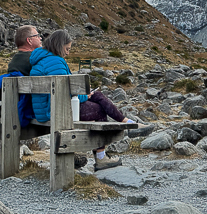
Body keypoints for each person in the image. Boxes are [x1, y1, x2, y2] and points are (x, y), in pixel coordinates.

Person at [30, 29, 131, 171]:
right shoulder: (56, 62)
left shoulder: (40, 59)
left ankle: (123, 121)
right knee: (99, 109)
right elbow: (64, 92)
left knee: (97, 97)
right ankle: (102, 157)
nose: (68, 53)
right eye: (67, 49)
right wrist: (85, 96)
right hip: (55, 110)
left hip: (46, 108)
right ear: (60, 45)